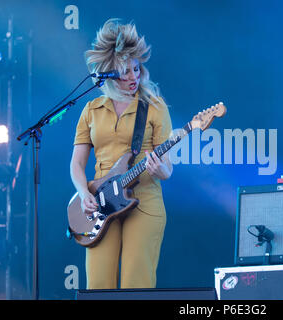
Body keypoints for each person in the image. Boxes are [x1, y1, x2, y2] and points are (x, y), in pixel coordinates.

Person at [70, 18, 173, 289]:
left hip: (145, 201)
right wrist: (83, 195)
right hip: (100, 202)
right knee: (98, 286)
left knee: (136, 285)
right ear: (107, 73)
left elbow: (168, 168)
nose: (132, 77)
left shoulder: (154, 106)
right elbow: (77, 164)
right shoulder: (92, 109)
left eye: (136, 69)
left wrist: (161, 171)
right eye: (124, 71)